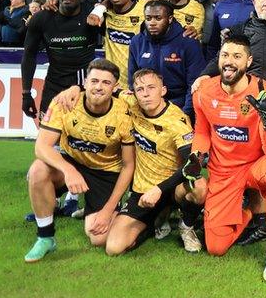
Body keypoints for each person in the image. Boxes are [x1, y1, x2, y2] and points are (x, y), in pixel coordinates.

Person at [50, 69, 207, 254]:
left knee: (199, 186)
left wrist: (159, 190)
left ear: (163, 90)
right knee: (113, 248)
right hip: (142, 190)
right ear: (134, 93)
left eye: (151, 88)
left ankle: (186, 226)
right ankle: (154, 222)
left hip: (170, 188)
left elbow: (194, 164)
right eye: (140, 89)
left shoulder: (177, 120)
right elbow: (106, 88)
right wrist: (75, 88)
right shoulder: (130, 101)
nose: (146, 93)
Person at [197, 0, 266, 248]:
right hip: (247, 113)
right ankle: (258, 222)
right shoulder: (242, 30)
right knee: (254, 170)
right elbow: (226, 58)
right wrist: (204, 75)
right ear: (253, 2)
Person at [187, 34, 266, 282]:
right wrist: (196, 156)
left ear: (249, 61)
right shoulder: (203, 91)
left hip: (255, 167)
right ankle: (251, 209)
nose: (229, 62)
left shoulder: (265, 92)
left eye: (236, 56)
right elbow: (202, 132)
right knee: (216, 248)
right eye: (225, 55)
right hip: (222, 172)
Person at [24, 59, 136, 262]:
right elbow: (41, 147)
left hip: (106, 171)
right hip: (73, 161)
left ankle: (104, 211)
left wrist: (108, 209)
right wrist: (69, 170)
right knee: (37, 171)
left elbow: (128, 166)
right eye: (94, 81)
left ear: (115, 87)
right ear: (85, 82)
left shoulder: (124, 113)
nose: (98, 87)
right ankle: (45, 237)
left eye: (105, 82)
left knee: (98, 238)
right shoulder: (65, 102)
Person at [22, 0, 100, 117]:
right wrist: (26, 93)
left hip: (85, 88)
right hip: (53, 86)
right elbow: (29, 55)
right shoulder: (41, 18)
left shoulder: (93, 16)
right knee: (47, 136)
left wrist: (101, 8)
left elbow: (112, 5)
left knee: (82, 138)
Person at [127, 0, 203, 118]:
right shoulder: (137, 42)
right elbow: (133, 81)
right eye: (148, 18)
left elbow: (194, 84)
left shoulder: (188, 42)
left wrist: (186, 114)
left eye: (158, 18)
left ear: (170, 19)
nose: (152, 23)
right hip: (146, 107)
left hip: (179, 106)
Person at [90, 0, 144, 86]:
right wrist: (99, 8)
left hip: (139, 83)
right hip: (113, 83)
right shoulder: (104, 13)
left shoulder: (144, 11)